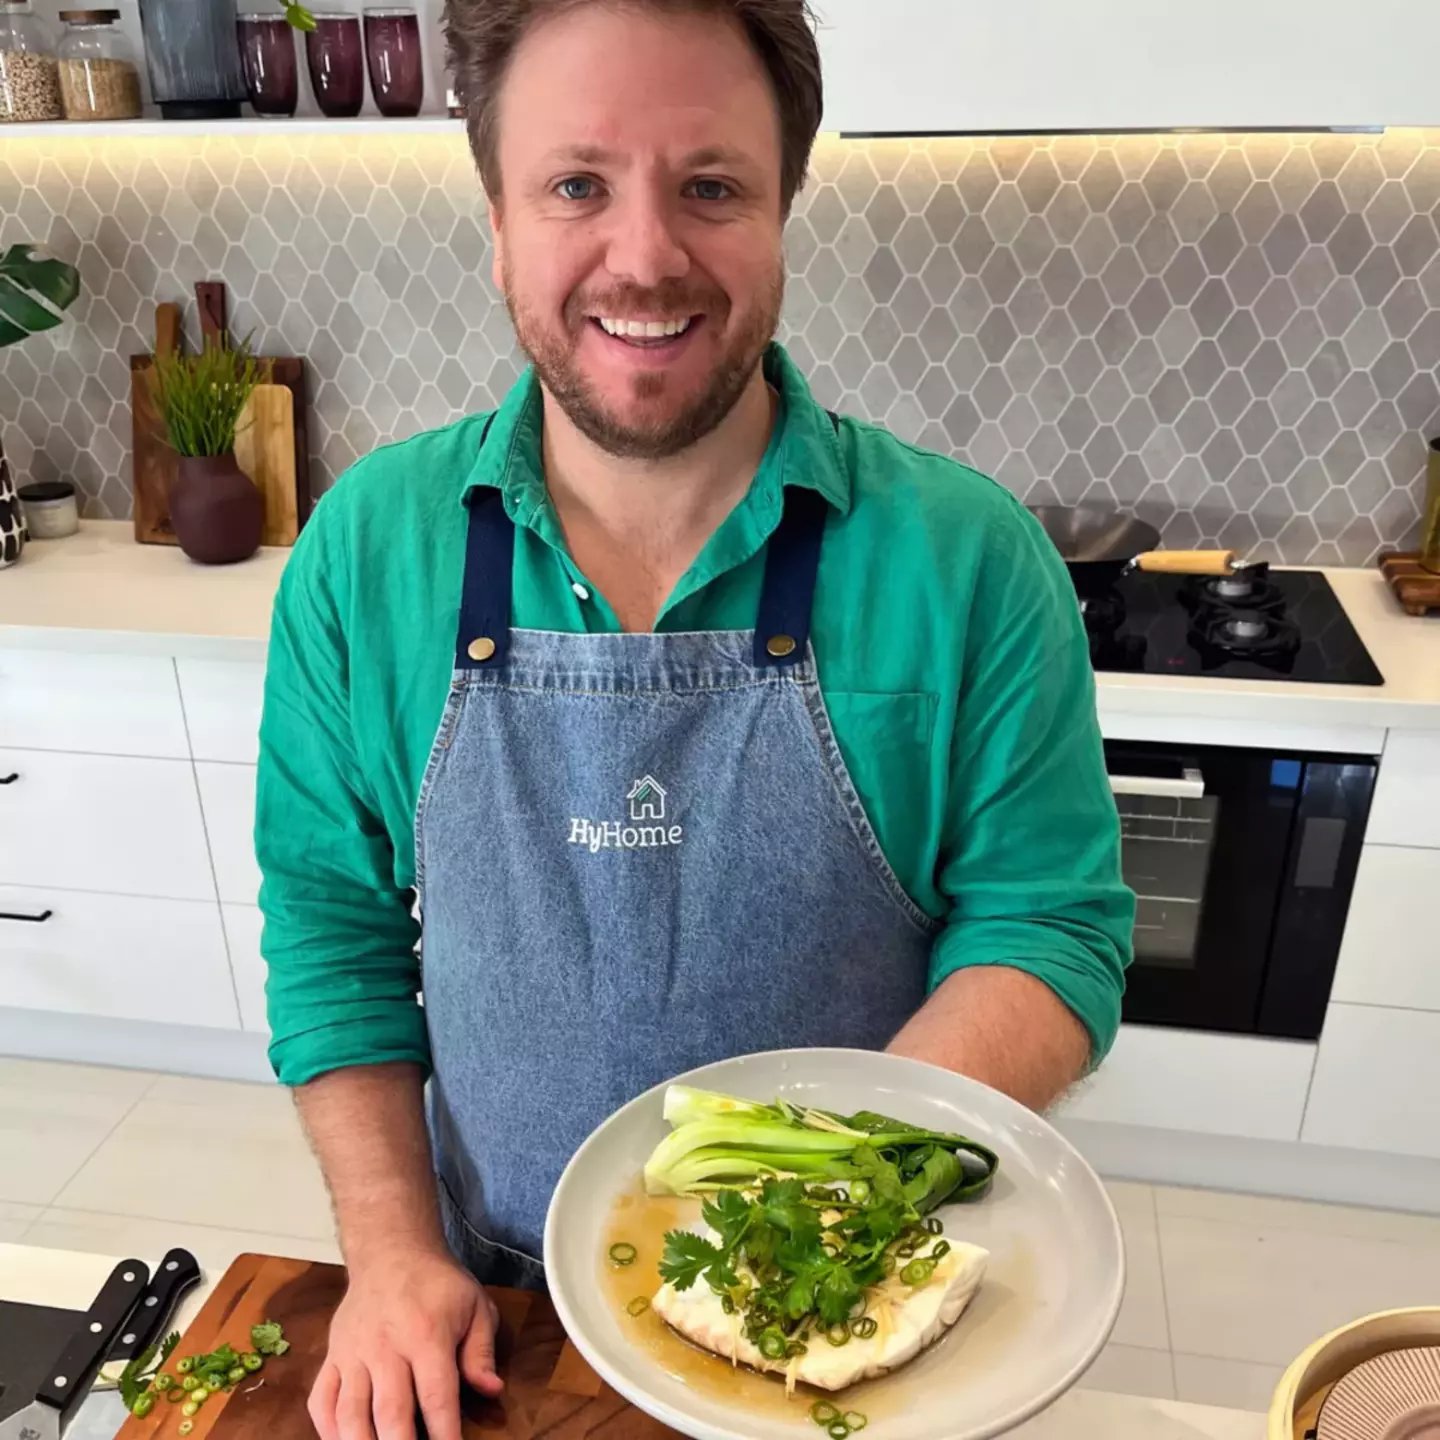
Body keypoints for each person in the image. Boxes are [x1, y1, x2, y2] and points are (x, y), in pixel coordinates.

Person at [254, 1, 1135, 1437]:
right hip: (496, 1314)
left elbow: (1049, 927)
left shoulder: (968, 560)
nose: (646, 255)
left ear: (786, 207)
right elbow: (334, 931)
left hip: (851, 1319)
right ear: (497, 220)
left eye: (711, 187)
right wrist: (392, 1253)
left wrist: (829, 1193)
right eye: (576, 185)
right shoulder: (367, 553)